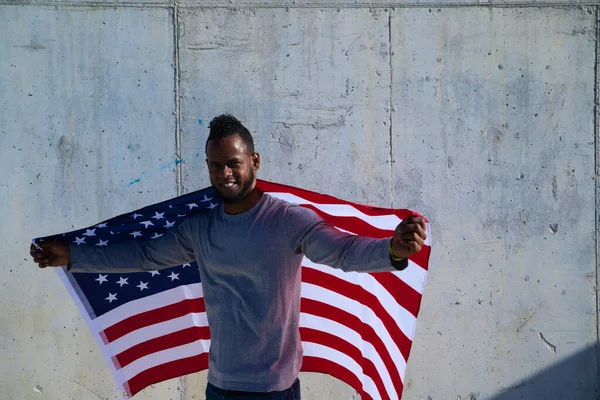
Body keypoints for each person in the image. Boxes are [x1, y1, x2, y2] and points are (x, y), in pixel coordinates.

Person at [30, 114, 427, 400]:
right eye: (216, 166)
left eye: (234, 164)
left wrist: (390, 250)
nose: (225, 174)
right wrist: (75, 255)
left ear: (254, 161)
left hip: (275, 390)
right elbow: (145, 254)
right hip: (220, 386)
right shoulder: (200, 228)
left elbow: (342, 250)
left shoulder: (286, 220)